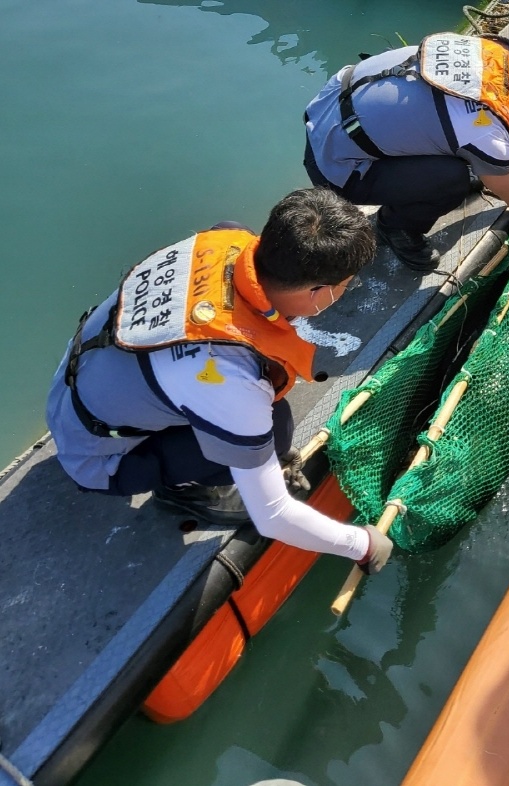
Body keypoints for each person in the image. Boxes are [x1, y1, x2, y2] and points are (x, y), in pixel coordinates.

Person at [45, 188, 393, 575]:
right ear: (318, 291)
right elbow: (273, 516)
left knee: (257, 418)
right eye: (346, 285)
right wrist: (362, 545)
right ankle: (182, 492)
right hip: (98, 458)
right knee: (274, 429)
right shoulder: (231, 381)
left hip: (76, 386)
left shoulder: (222, 241)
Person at [303, 32, 509, 271]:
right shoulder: (483, 131)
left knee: (463, 144)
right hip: (338, 167)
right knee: (452, 180)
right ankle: (396, 227)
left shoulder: (493, 57)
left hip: (330, 114)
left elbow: (508, 125)